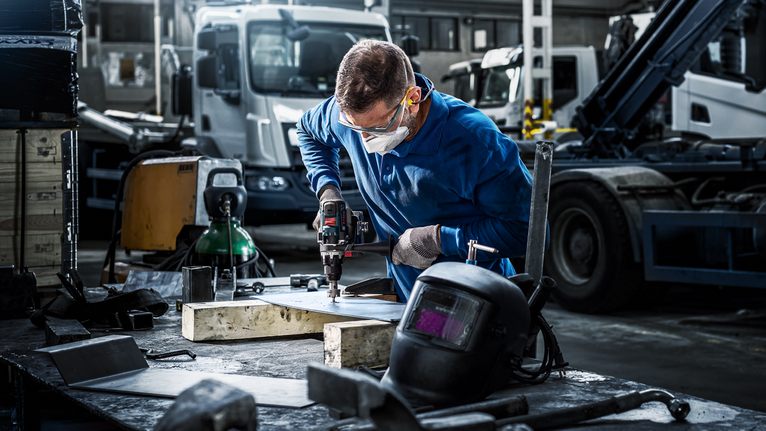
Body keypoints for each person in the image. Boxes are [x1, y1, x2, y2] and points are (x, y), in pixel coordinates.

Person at [297, 40, 535, 301]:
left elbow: (527, 234)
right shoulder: (354, 116)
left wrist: (438, 240)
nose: (365, 141)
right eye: (355, 129)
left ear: (412, 100)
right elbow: (308, 132)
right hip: (406, 301)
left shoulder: (474, 142)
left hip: (478, 303)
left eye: (378, 128)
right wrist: (328, 193)